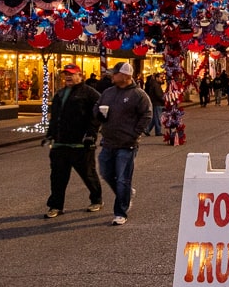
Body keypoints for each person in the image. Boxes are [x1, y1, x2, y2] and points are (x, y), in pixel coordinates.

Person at [43, 64, 103, 218]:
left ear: (80, 75)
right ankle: (56, 206)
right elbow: (55, 117)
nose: (68, 77)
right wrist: (50, 135)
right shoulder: (60, 93)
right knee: (57, 176)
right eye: (66, 74)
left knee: (88, 174)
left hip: (81, 143)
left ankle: (96, 199)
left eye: (71, 74)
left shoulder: (90, 93)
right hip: (60, 143)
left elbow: (97, 116)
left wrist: (91, 134)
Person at [97, 61, 152, 226]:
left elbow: (147, 115)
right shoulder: (108, 92)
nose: (112, 75)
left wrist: (135, 134)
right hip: (108, 141)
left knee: (122, 178)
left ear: (125, 76)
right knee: (106, 172)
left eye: (115, 73)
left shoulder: (138, 95)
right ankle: (126, 194)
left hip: (127, 144)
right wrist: (99, 115)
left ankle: (120, 212)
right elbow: (97, 106)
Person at [144, 71, 166, 136]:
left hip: (155, 103)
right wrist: (164, 100)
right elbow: (158, 95)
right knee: (157, 118)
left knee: (154, 118)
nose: (162, 79)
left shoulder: (155, 84)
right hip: (157, 103)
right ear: (157, 78)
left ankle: (147, 129)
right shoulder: (156, 85)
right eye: (160, 78)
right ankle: (158, 131)